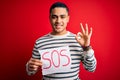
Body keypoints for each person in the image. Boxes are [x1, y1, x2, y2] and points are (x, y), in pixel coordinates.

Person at [26, 2, 97, 80]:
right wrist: (30, 67)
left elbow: (91, 68)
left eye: (62, 17)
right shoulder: (40, 42)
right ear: (49, 18)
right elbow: (31, 72)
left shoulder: (78, 41)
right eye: (54, 17)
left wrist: (86, 47)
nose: (58, 21)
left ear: (68, 18)